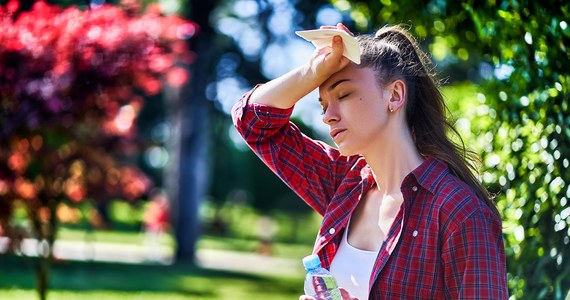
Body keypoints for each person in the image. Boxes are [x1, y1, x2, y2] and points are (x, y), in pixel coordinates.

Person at [232, 23, 508, 299]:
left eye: (343, 94)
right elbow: (253, 123)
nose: (328, 115)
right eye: (324, 104)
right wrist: (311, 72)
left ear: (395, 95)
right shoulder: (345, 185)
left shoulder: (459, 211)